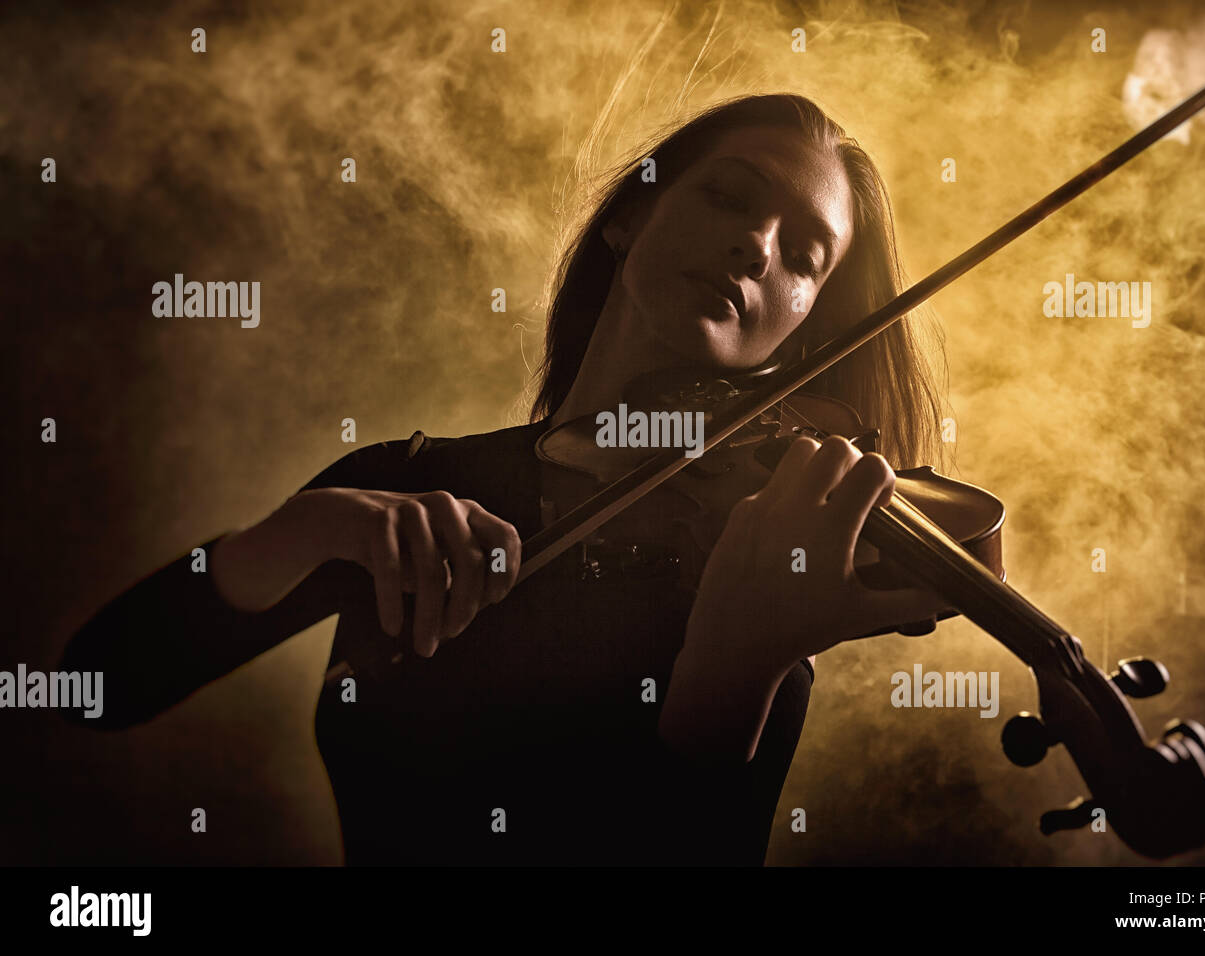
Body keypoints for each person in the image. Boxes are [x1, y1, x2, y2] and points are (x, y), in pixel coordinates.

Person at [60, 93, 953, 865]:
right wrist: (303, 531)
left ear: (799, 336)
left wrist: (735, 663)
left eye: (804, 256)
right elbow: (95, 688)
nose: (758, 248)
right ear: (629, 215)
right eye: (729, 197)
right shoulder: (410, 488)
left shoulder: (756, 578)